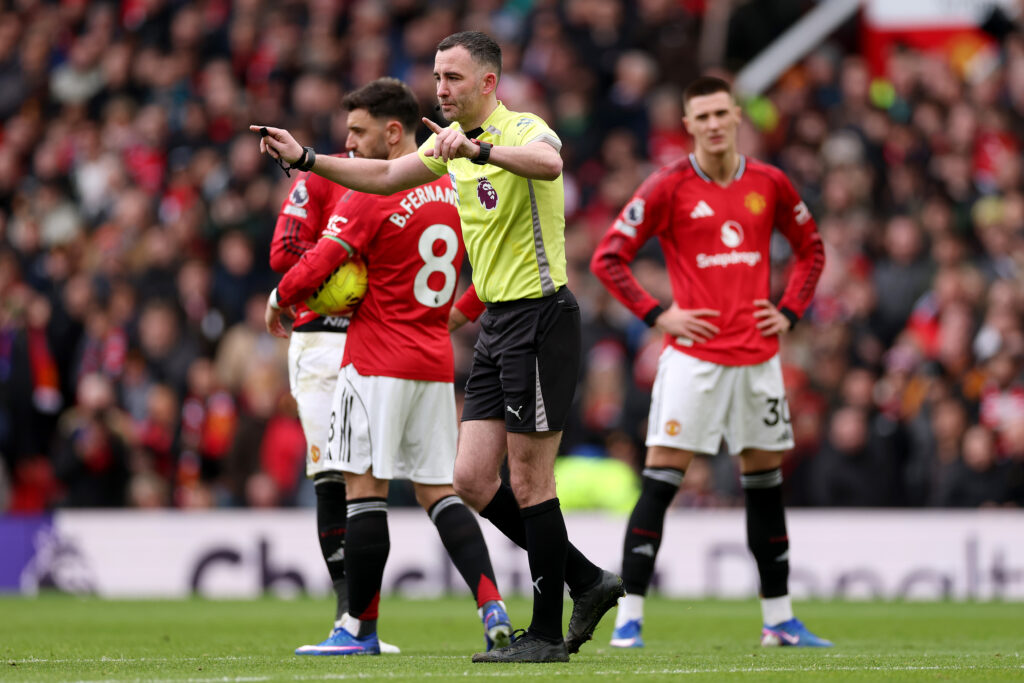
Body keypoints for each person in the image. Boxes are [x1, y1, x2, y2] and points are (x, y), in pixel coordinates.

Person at [253, 31, 622, 663]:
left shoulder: (521, 127)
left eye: (453, 77)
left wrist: (479, 148)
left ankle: (545, 632)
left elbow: (549, 164)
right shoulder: (441, 147)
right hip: (495, 327)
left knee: (531, 481)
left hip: (540, 316)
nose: (440, 87)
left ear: (487, 82)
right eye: (436, 75)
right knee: (472, 479)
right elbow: (386, 174)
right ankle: (587, 580)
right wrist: (307, 158)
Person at [265, 77, 512, 656]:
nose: (349, 145)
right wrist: (455, 315)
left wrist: (281, 300)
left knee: (364, 491)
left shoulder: (371, 193)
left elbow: (318, 262)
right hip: (432, 361)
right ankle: (493, 607)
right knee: (438, 493)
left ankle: (359, 629)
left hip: (374, 360)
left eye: (358, 132)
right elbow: (493, 270)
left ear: (393, 132)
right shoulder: (455, 189)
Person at [590, 76, 832, 649]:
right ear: (689, 124)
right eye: (702, 116)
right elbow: (609, 258)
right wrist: (657, 316)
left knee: (764, 487)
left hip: (757, 360)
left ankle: (779, 619)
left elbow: (811, 250)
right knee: (660, 485)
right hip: (693, 361)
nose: (715, 124)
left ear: (738, 115)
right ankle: (630, 619)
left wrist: (791, 310)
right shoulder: (669, 185)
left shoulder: (769, 183)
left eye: (722, 112)